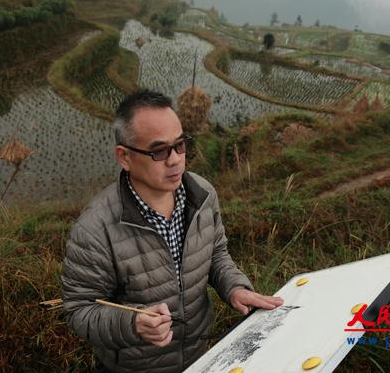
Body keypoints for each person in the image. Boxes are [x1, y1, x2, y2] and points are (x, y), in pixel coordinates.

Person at [61, 89, 283, 372]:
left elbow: (215, 254)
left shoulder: (202, 196)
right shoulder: (95, 229)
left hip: (198, 357)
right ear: (125, 157)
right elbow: (80, 309)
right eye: (159, 151)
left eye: (180, 145)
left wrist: (234, 287)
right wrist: (133, 324)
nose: (175, 159)